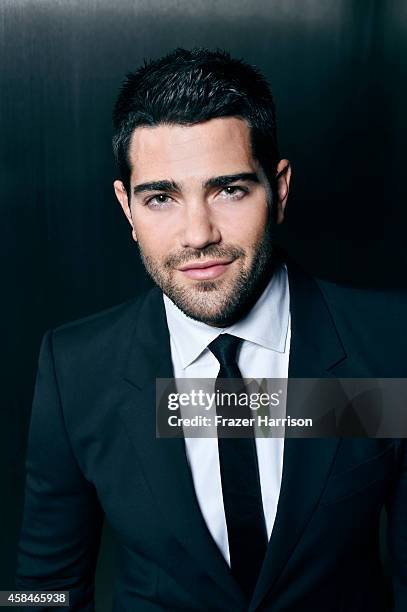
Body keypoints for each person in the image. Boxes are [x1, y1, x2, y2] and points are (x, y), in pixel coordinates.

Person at [16, 48, 407, 611]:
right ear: (127, 207)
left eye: (229, 190)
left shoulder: (390, 343)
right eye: (161, 198)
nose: (197, 234)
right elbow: (42, 590)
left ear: (279, 189)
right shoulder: (74, 368)